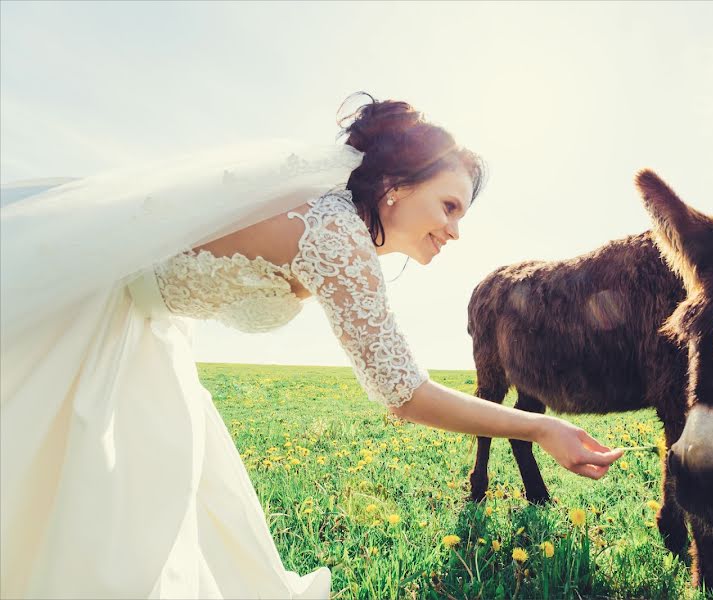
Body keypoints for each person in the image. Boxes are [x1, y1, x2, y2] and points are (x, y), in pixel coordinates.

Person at [0, 94, 622, 599]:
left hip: (143, 337)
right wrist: (540, 428)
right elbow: (404, 394)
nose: (456, 230)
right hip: (89, 319)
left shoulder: (331, 224)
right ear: (398, 187)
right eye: (450, 205)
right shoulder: (334, 233)